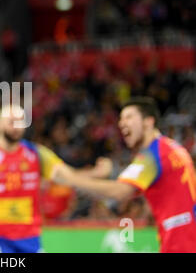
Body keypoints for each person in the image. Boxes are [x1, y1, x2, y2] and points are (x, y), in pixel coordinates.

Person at [0, 104, 109, 253]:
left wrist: (96, 173)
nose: (16, 126)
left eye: (21, 121)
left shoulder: (37, 154)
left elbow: (68, 177)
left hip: (30, 237)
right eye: (11, 120)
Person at [53, 96, 196, 253]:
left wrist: (70, 178)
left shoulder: (154, 155)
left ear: (149, 121)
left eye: (129, 117)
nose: (121, 123)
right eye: (120, 119)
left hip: (182, 244)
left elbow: (119, 191)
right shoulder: (171, 148)